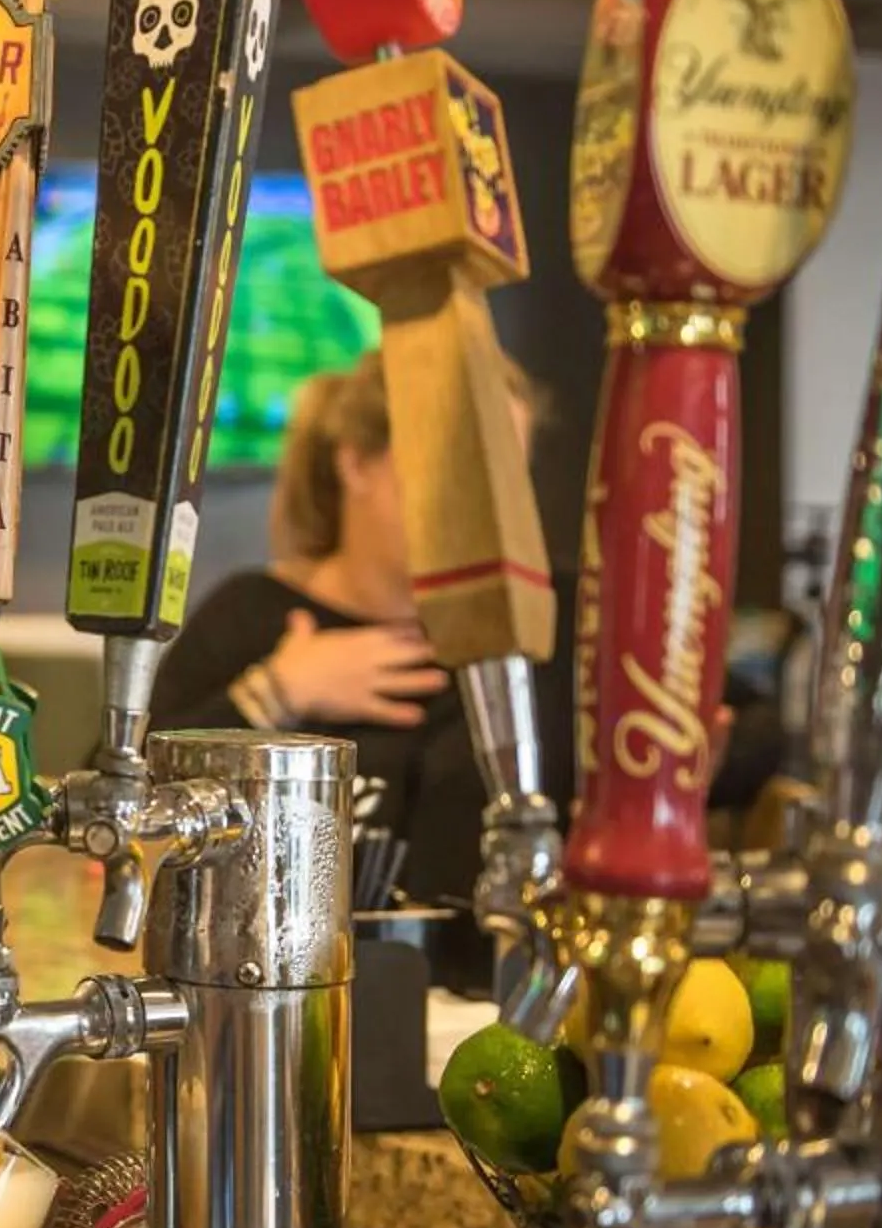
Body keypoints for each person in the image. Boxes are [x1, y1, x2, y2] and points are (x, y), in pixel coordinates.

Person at [147, 349, 568, 905]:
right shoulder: (251, 616)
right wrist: (275, 694)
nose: (488, 503)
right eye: (460, 465)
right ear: (357, 464)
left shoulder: (546, 621)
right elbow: (121, 816)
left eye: (509, 475)